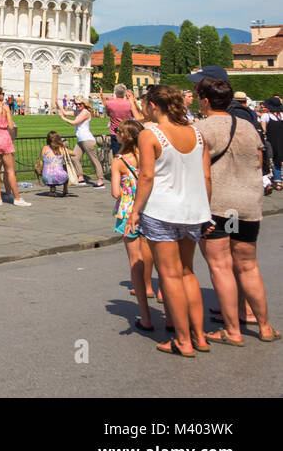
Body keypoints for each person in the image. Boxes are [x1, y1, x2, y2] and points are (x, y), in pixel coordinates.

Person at [123, 85, 211, 357]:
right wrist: (205, 209)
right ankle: (200, 336)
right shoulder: (197, 133)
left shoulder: (150, 135)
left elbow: (147, 177)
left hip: (162, 210)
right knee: (187, 271)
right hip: (193, 210)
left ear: (151, 106)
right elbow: (207, 177)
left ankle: (183, 341)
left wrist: (135, 211)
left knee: (170, 275)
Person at [195, 77, 278, 344]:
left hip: (221, 204)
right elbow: (259, 160)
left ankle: (232, 331)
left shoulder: (201, 129)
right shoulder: (247, 126)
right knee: (248, 265)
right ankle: (264, 326)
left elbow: (200, 170)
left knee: (221, 266)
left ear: (205, 101)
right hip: (248, 202)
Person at [111, 119, 157, 330]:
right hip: (150, 208)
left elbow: (115, 193)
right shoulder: (149, 156)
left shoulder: (119, 160)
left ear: (123, 137)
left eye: (118, 132)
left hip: (128, 211)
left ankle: (145, 316)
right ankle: (154, 287)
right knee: (152, 255)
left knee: (134, 260)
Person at [61, 96, 106, 187]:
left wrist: (64, 118)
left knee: (93, 160)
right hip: (81, 140)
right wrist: (58, 103)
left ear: (84, 104)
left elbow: (75, 122)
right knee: (74, 157)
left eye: (80, 104)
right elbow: (65, 112)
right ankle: (80, 177)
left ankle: (100, 180)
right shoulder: (78, 111)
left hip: (87, 140)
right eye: (76, 104)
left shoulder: (85, 112)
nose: (78, 105)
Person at [102, 85, 143, 158]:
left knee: (117, 155)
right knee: (130, 155)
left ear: (115, 92)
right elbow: (136, 114)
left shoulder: (110, 103)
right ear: (124, 93)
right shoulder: (129, 103)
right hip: (128, 131)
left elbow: (108, 114)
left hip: (115, 132)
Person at [40, 131, 71, 197]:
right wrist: (63, 146)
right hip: (59, 176)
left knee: (51, 169)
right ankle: (65, 189)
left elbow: (43, 157)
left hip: (46, 177)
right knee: (64, 169)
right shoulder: (61, 149)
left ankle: (52, 188)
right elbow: (74, 153)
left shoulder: (45, 148)